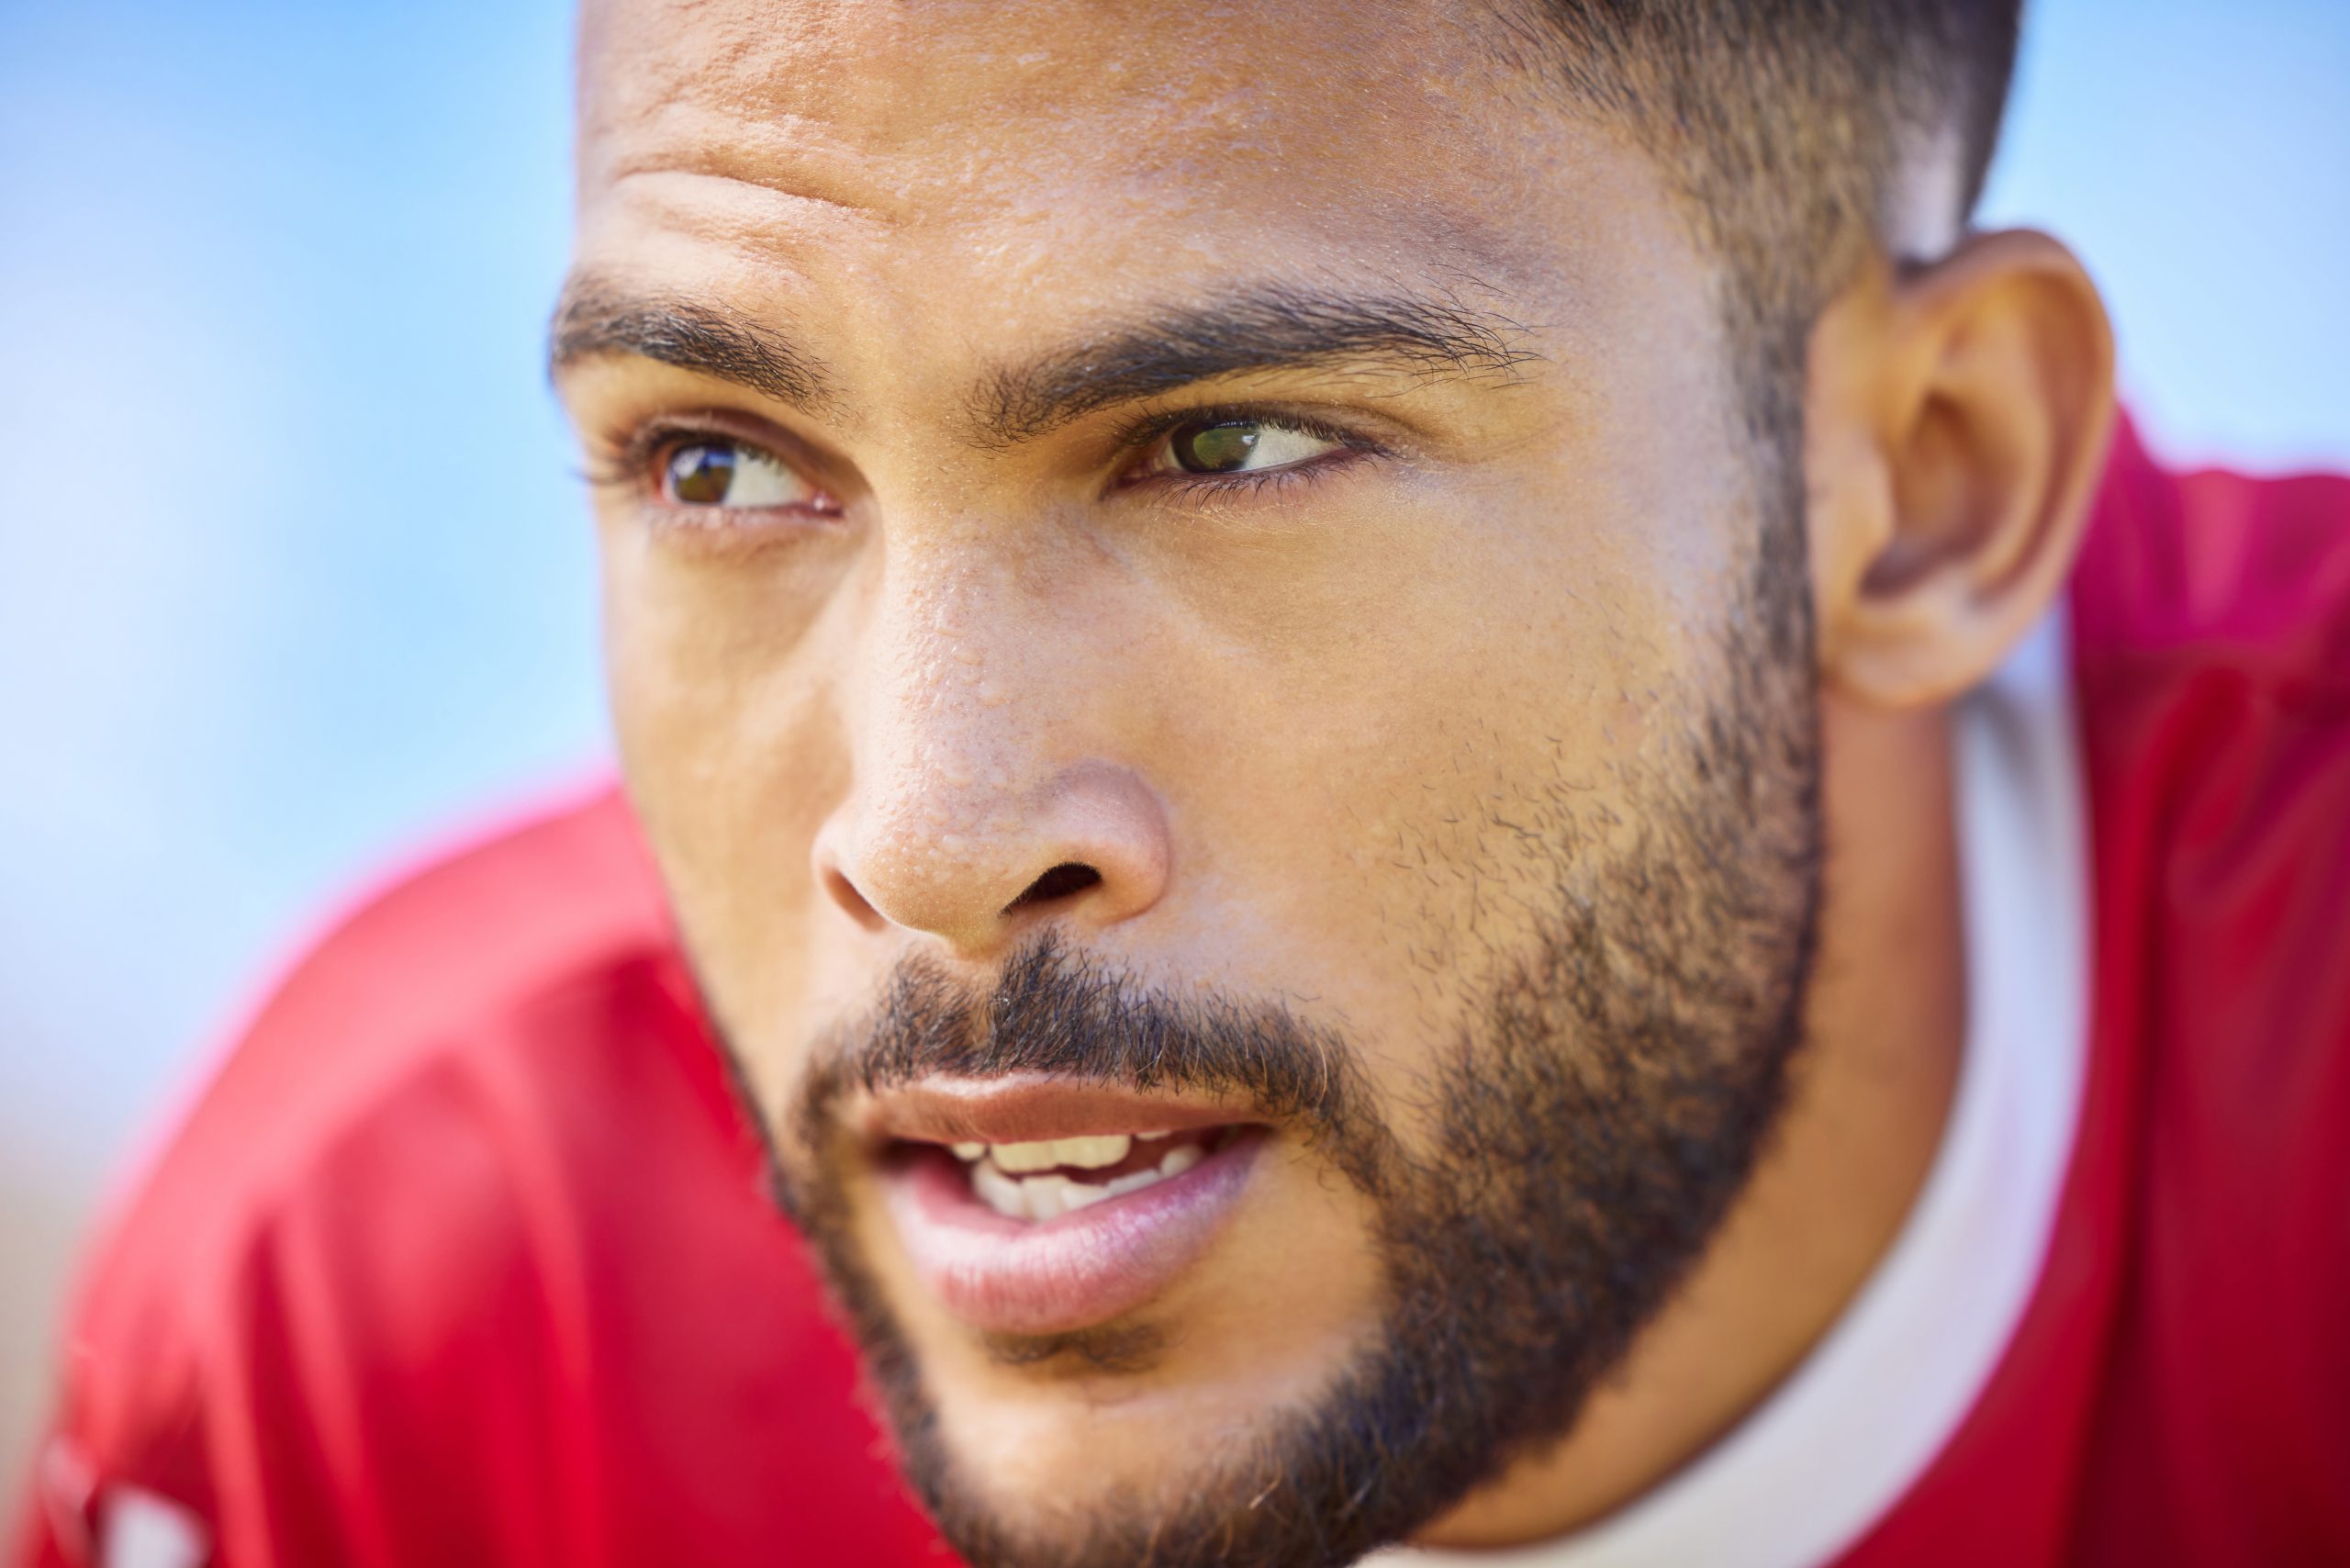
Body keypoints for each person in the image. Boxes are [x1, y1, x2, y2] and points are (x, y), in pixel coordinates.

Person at [13, 1, 2349, 1564]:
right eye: (719, 459)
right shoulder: (401, 1332)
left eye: (1228, 446)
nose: (922, 841)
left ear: (1924, 479)